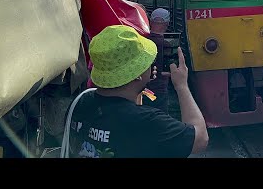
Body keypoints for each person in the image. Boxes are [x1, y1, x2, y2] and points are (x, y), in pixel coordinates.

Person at [68, 24, 209, 158]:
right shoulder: (147, 121)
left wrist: (137, 86)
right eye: (146, 62)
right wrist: (182, 86)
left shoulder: (80, 102)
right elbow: (200, 139)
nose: (151, 65)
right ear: (137, 75)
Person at [145, 8, 172, 113]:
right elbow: (169, 71)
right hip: (160, 89)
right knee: (160, 115)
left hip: (144, 89)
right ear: (167, 23)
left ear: (151, 22)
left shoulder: (144, 41)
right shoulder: (167, 44)